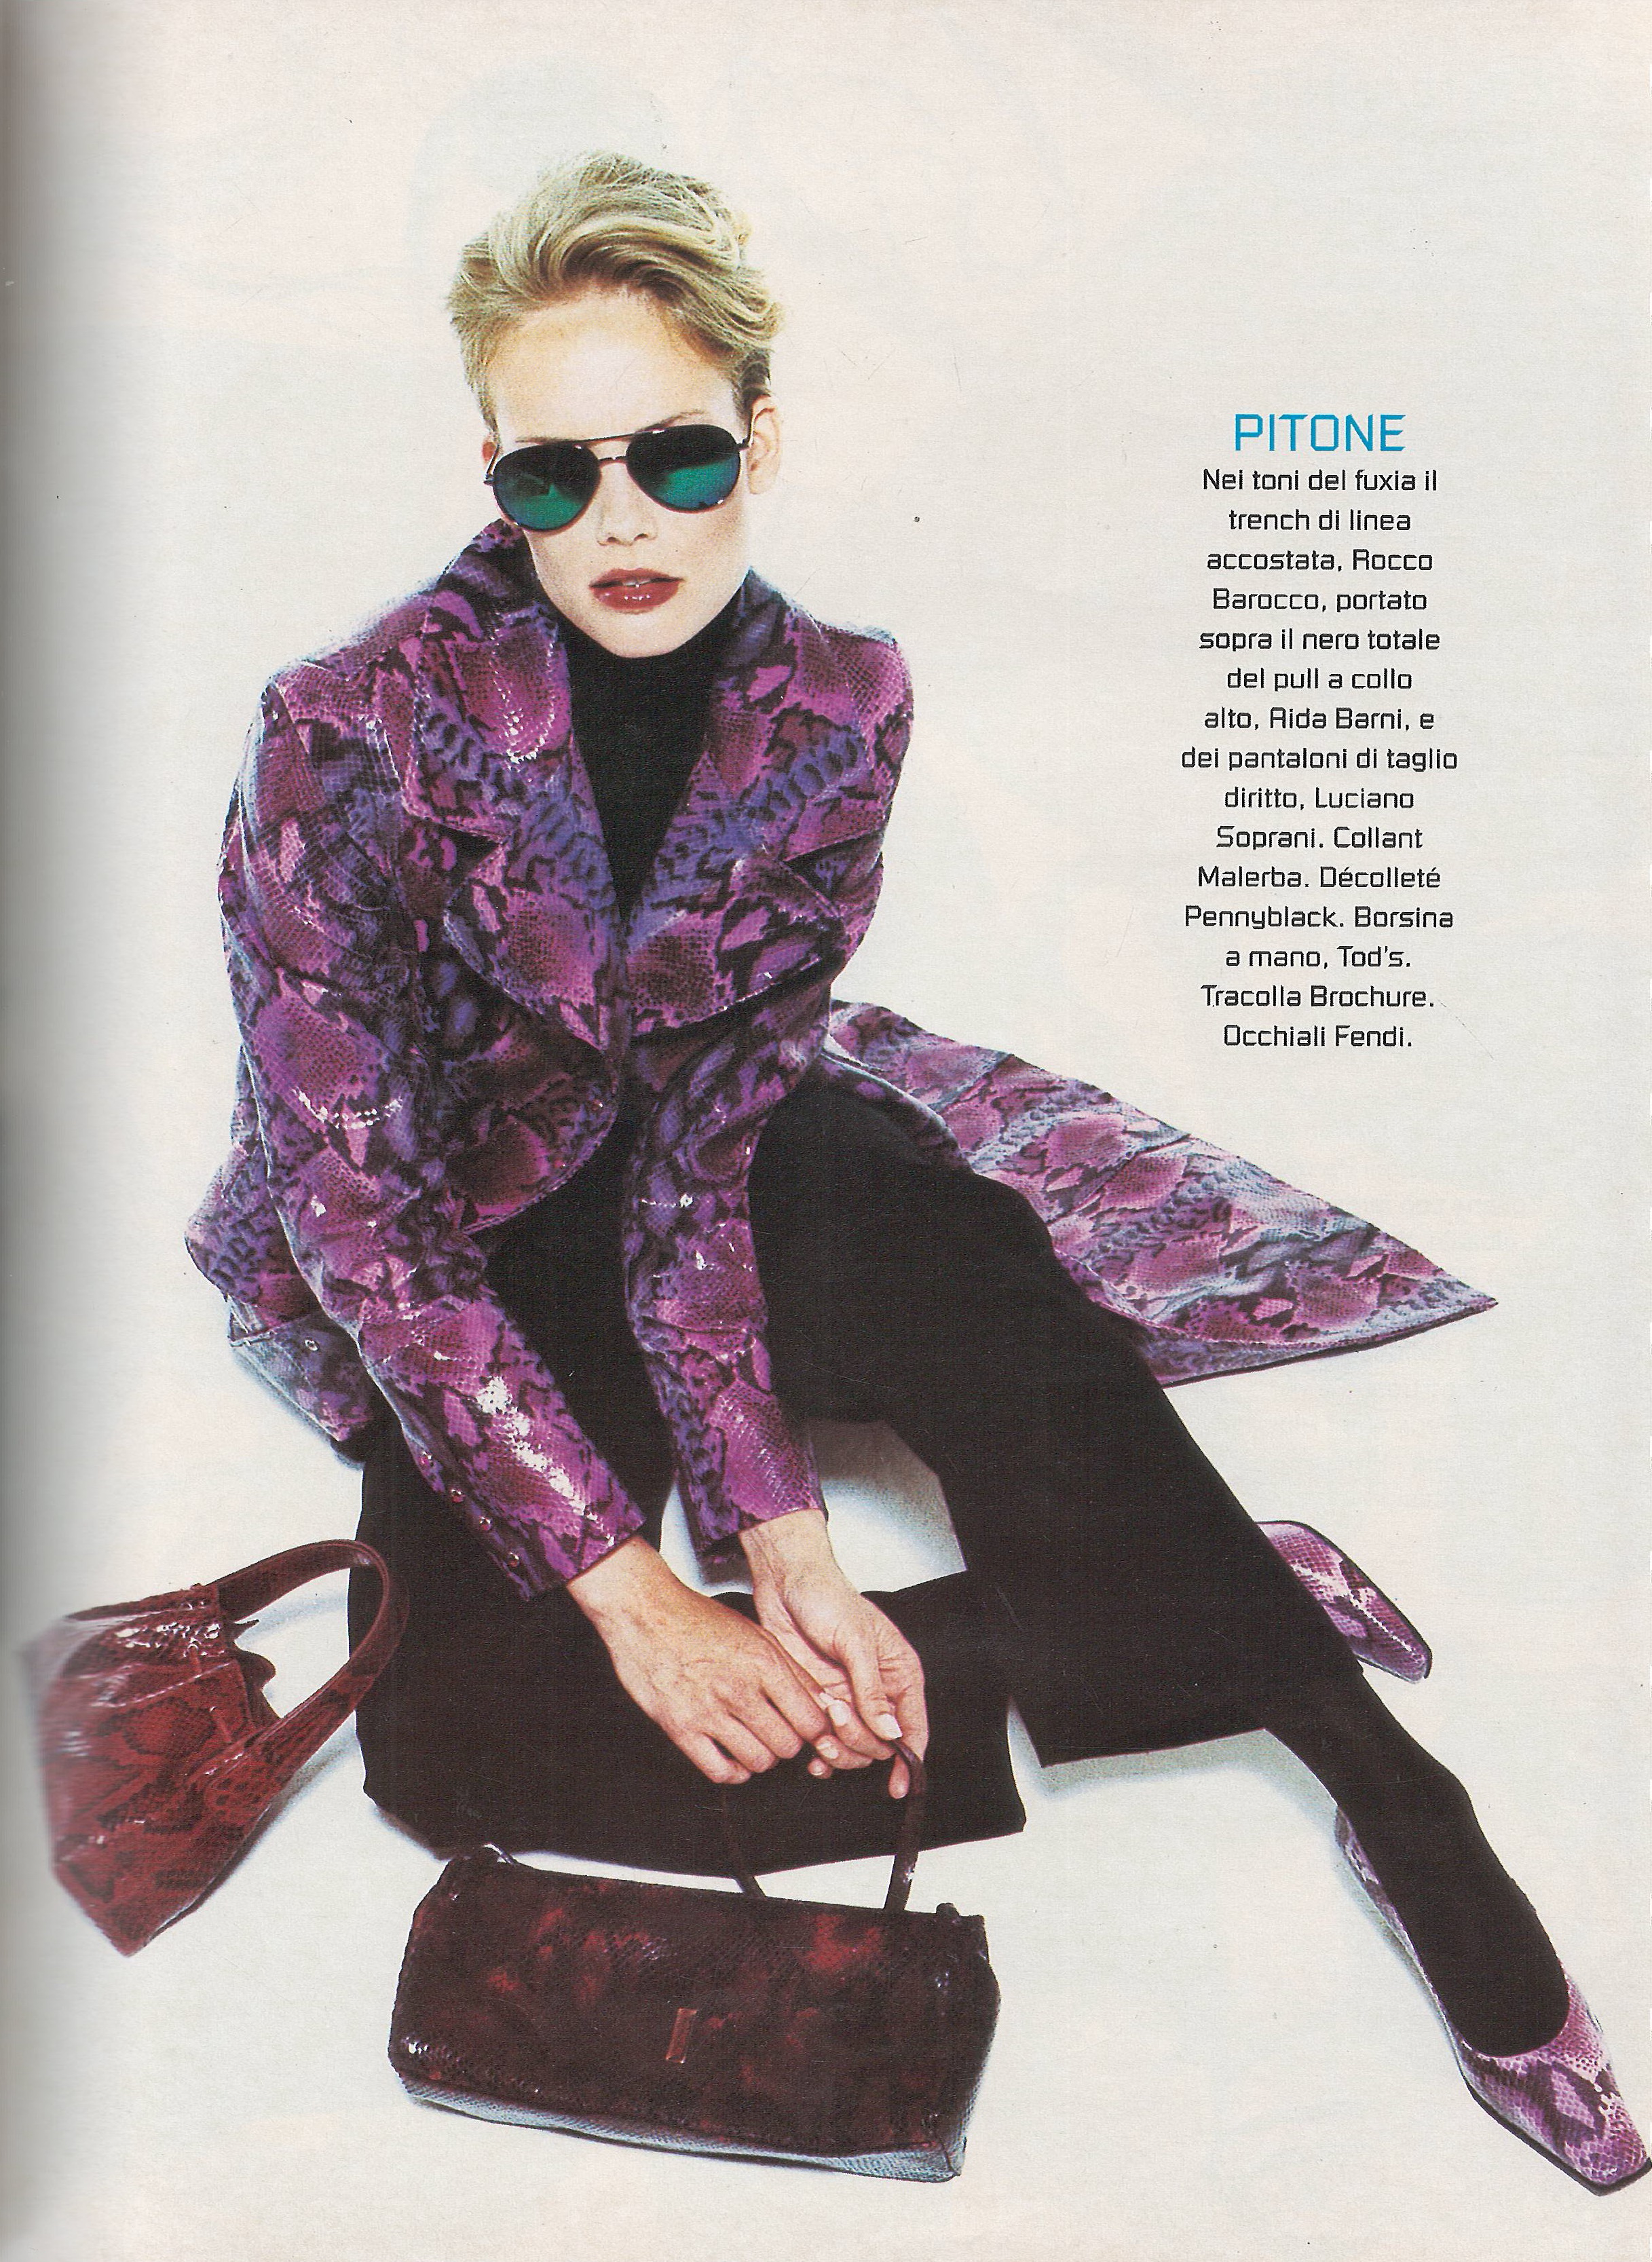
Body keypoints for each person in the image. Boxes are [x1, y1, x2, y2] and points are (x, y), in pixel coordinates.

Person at [187, 151, 1645, 2193]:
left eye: (679, 457)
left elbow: (707, 1151)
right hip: (472, 1236)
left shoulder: (837, 703)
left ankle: (1400, 1804)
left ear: (760, 437)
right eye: (554, 475)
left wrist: (780, 1540)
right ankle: (1217, 1586)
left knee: (956, 1258)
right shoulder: (343, 731)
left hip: (709, 1168)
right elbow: (364, 1217)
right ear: (491, 470)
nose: (622, 520)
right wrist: (640, 1594)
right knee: (458, 1762)